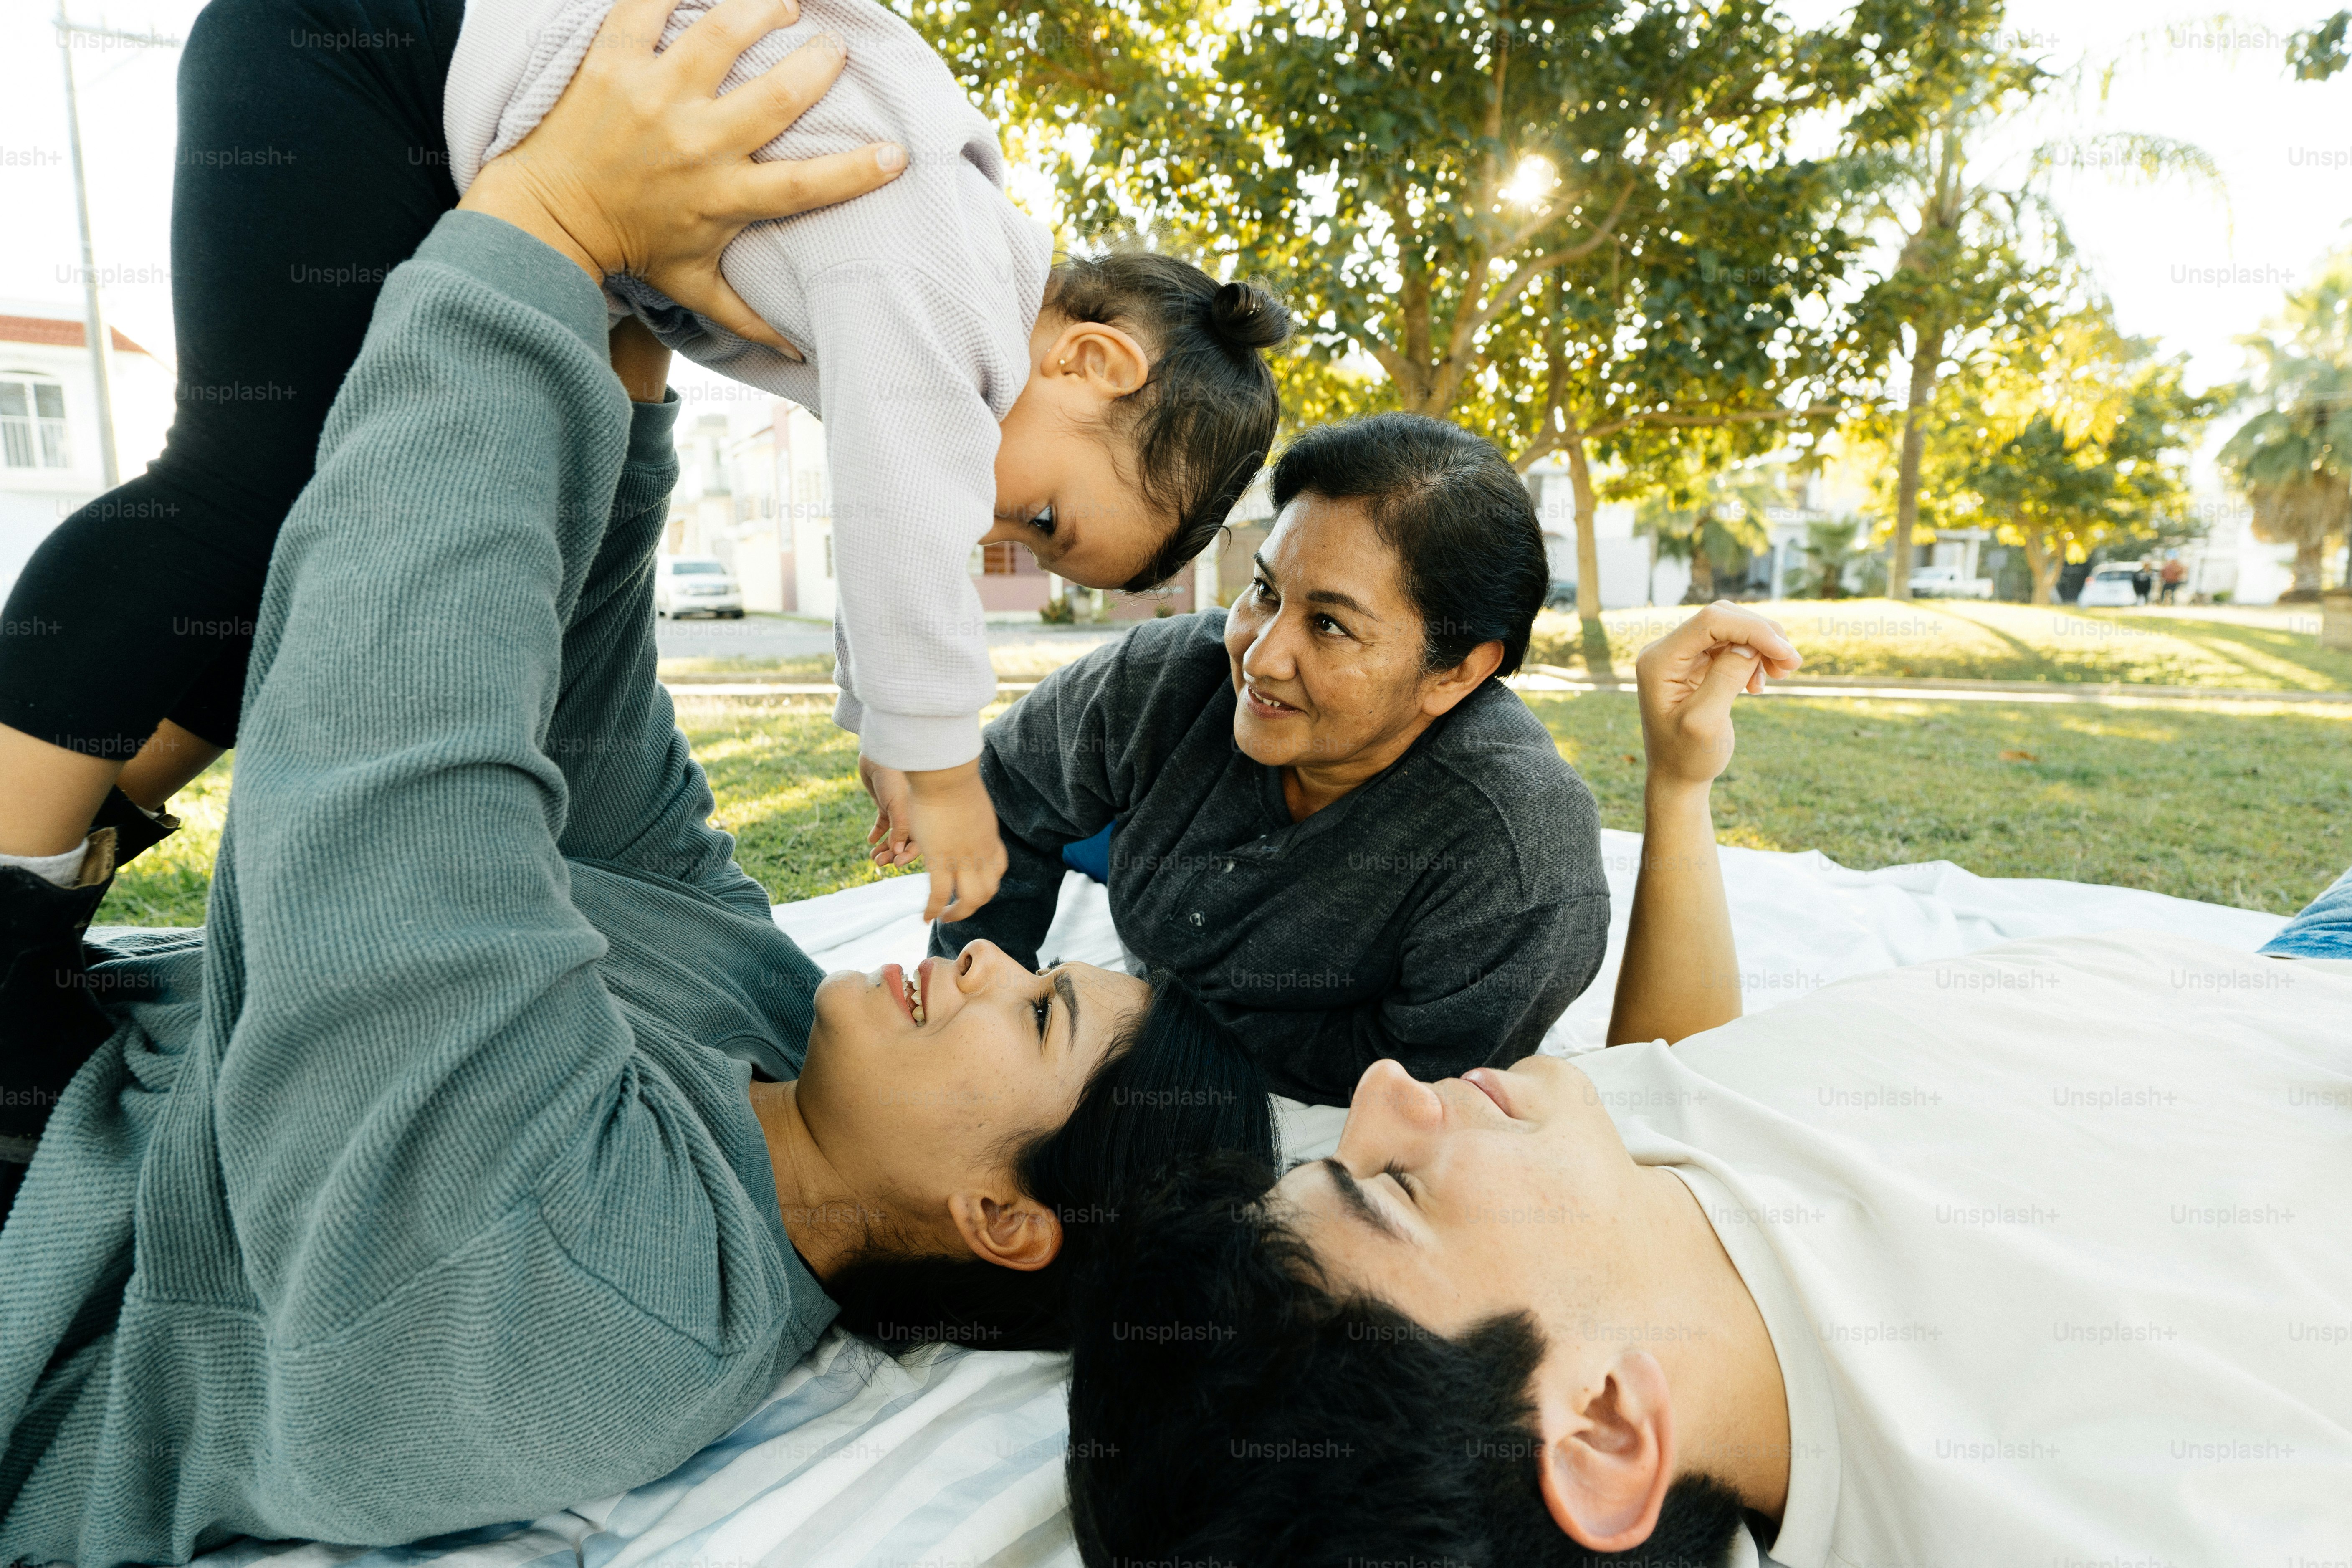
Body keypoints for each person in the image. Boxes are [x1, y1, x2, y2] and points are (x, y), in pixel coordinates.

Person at [0, 19, 1272, 1565]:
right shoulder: (770, 1031)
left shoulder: (608, 1296)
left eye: (1045, 1014)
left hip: (30, 1203)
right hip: (95, 1033)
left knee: (245, 501)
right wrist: (631, 362)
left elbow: (387, 770)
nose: (989, 958)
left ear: (1002, 1218)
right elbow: (599, 768)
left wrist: (546, 237)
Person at [0, 0, 1290, 991]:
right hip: (365, 52)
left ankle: (88, 821)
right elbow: (906, 519)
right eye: (1046, 518)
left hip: (417, 107)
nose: (998, 539)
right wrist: (938, 761)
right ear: (1094, 359)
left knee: (309, 541)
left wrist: (879, 717)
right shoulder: (950, 279)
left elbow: (859, 496)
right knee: (242, 486)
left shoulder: (922, 284)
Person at [1061, 602, 2352, 1568]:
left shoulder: (1605, 1183)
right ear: (1607, 1428)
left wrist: (1679, 785)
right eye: (1390, 1188)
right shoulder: (2085, 1508)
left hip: (2282, 962)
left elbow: (1688, 1065)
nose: (1391, 1087)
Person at [895, 414, 1611, 1105]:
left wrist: (1150, 1039)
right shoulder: (1171, 676)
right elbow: (1002, 795)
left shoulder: (1518, 859)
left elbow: (1422, 1081)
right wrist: (984, 1014)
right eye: (1265, 591)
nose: (1260, 656)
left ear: (1455, 672)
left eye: (1329, 625)